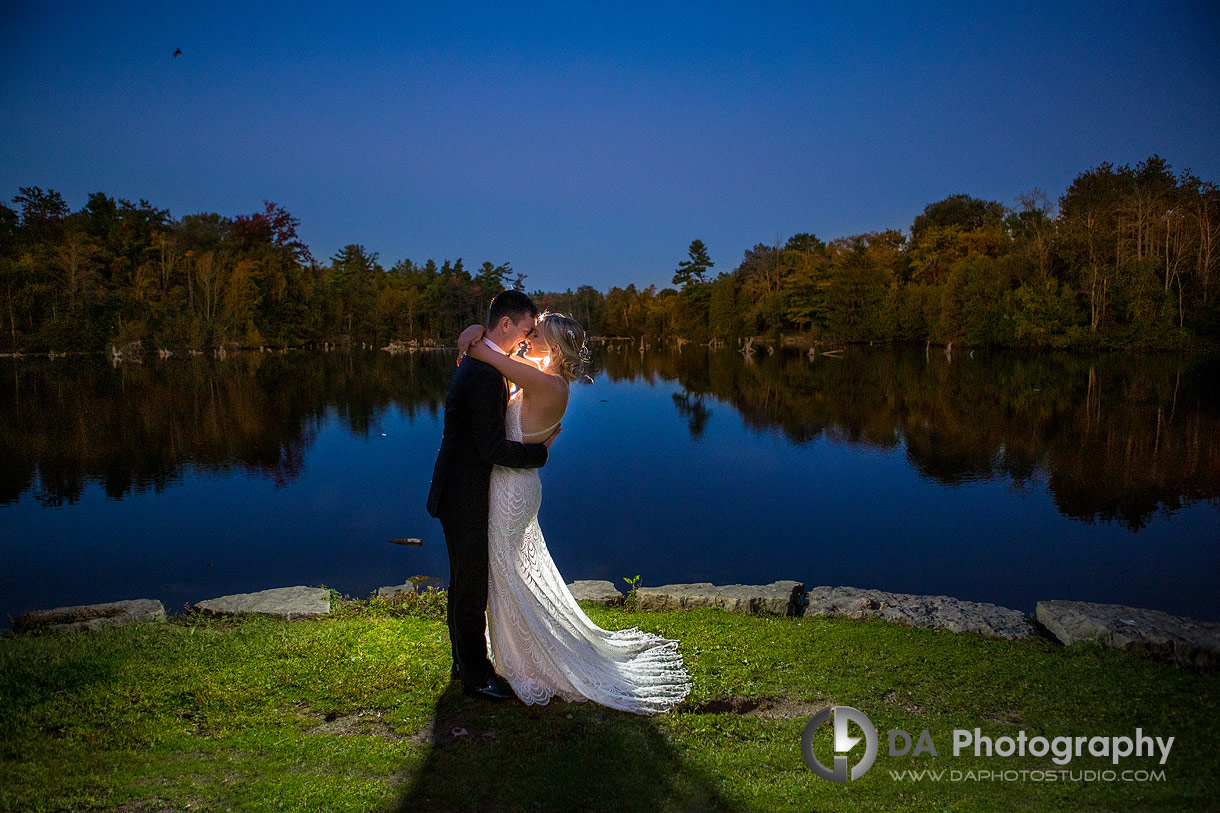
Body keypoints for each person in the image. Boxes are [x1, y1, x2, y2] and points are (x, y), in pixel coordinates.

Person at [455, 311, 691, 715]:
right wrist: (475, 333)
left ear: (552, 346)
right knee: (509, 574)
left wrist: (474, 336)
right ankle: (510, 654)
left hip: (513, 488)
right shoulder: (545, 374)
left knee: (506, 574)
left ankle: (526, 661)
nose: (529, 336)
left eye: (536, 333)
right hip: (515, 483)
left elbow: (490, 356)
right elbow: (497, 353)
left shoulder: (544, 382)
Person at [426, 290, 560, 702]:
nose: (527, 336)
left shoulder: (487, 360)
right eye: (524, 328)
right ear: (505, 324)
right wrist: (541, 452)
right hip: (464, 492)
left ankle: (462, 661)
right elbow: (491, 449)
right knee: (470, 586)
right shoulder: (483, 374)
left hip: (463, 489)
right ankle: (475, 677)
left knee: (465, 581)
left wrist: (476, 335)